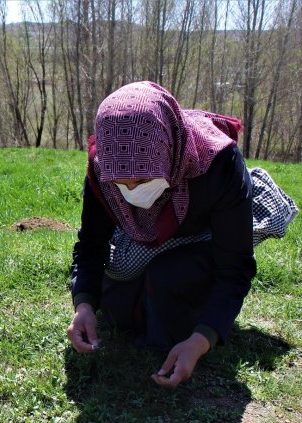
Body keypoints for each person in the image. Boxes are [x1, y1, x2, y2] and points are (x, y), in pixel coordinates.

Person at [67, 81, 256, 389]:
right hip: (139, 239)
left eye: (143, 178)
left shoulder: (218, 164)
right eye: (121, 183)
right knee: (118, 306)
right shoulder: (103, 169)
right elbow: (91, 244)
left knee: (170, 279)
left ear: (168, 151)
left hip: (204, 238)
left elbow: (234, 268)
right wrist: (84, 305)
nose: (132, 191)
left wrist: (200, 340)